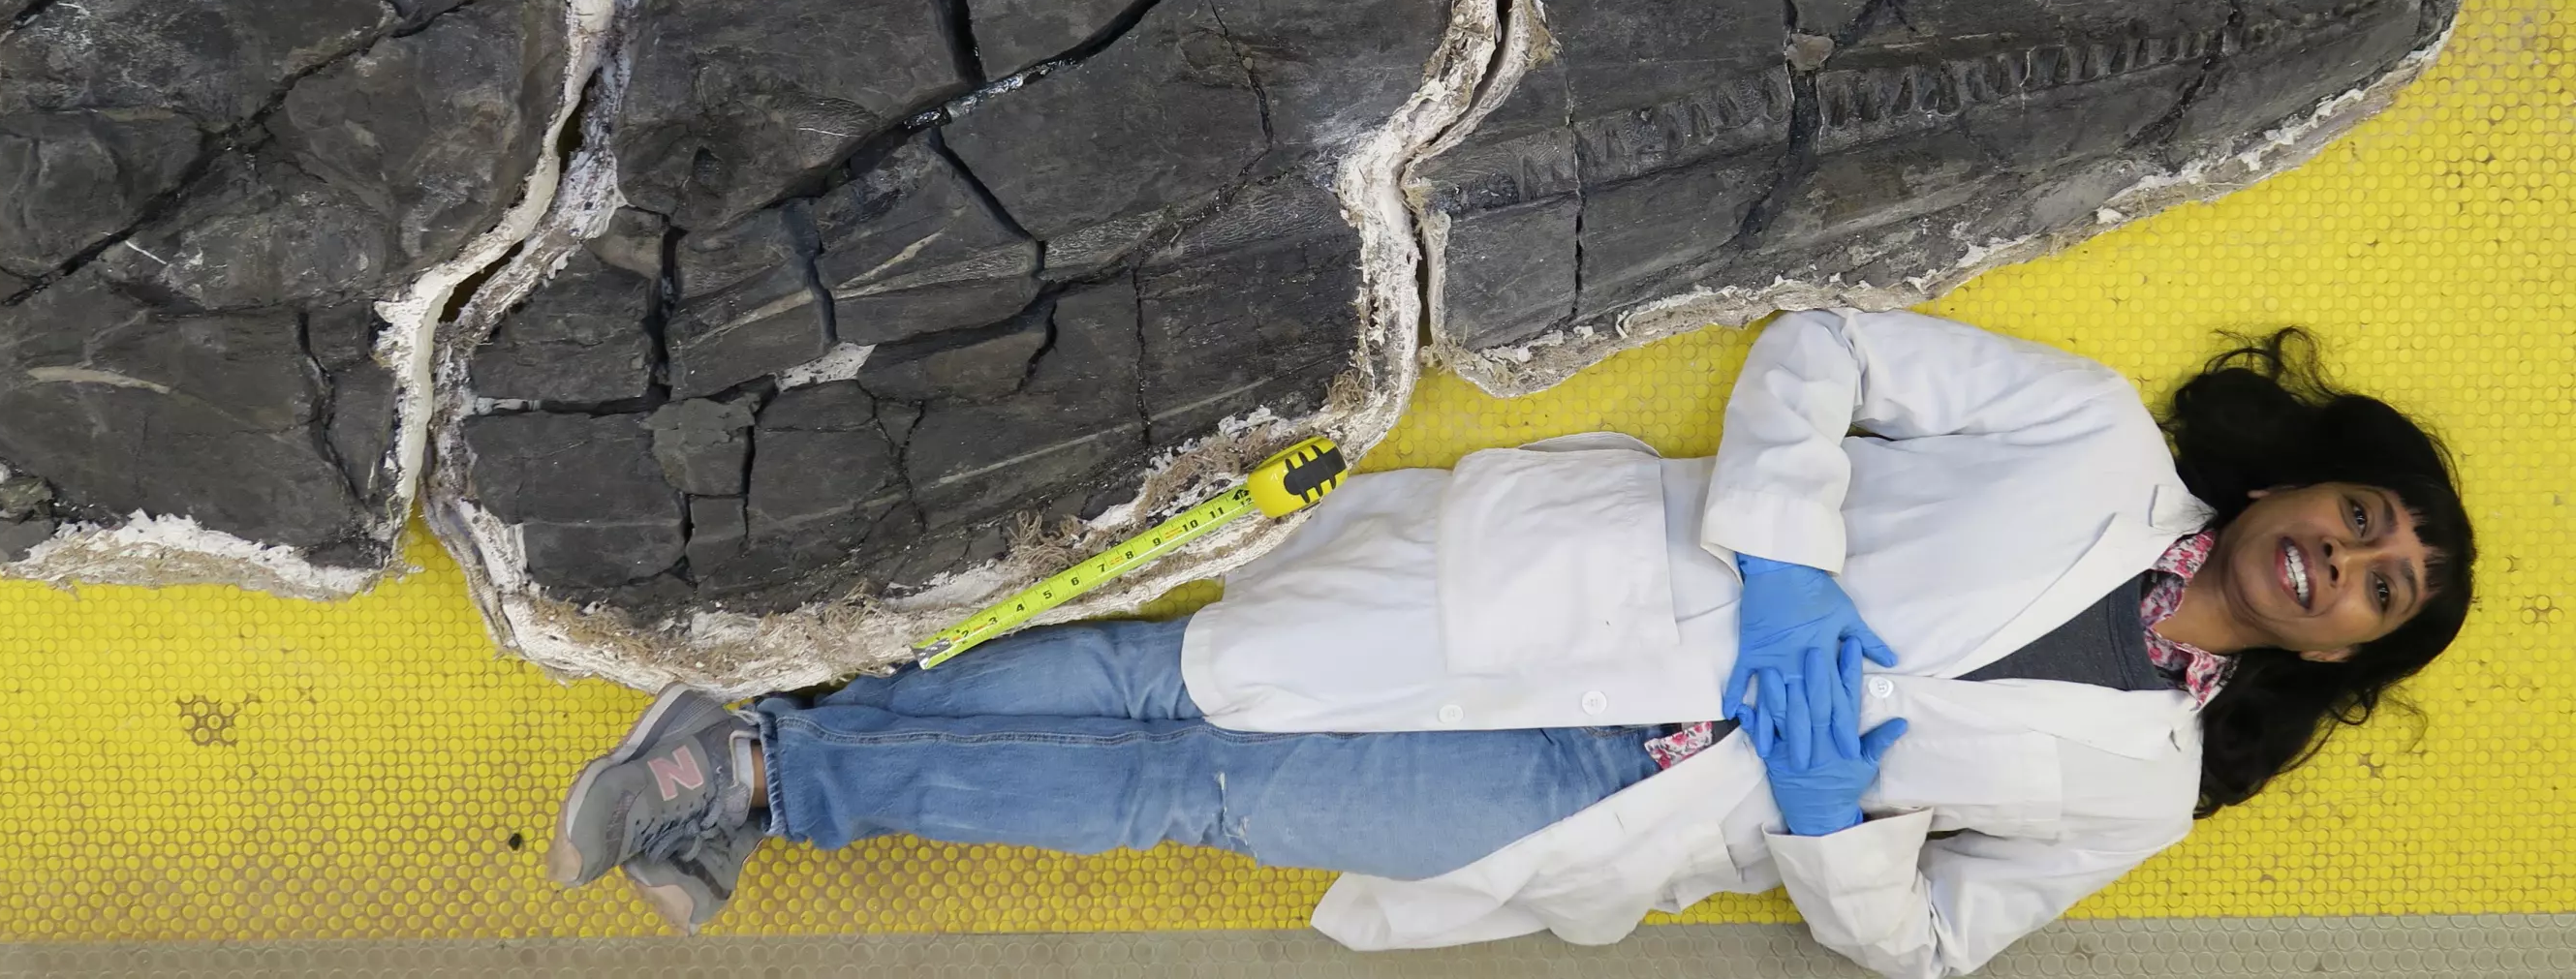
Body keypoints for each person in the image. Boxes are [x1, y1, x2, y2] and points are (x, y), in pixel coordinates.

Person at [542, 309, 2474, 978]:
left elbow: (1925, 942)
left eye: (2384, 587)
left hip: (1603, 802)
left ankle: (773, 775)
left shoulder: (2142, 789)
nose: (2348, 562)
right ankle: (763, 764)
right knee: (1173, 683)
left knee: (1187, 805)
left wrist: (1829, 816)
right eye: (2363, 518)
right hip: (1568, 591)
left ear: (2349, 655)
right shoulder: (2091, 440)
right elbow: (1830, 350)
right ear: (2301, 481)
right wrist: (1790, 563)